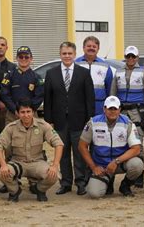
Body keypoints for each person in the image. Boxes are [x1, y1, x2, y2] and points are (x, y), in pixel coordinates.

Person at [44, 41, 95, 196]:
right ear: (60, 54)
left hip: (79, 120)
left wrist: (89, 119)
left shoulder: (84, 73)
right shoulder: (51, 73)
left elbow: (89, 98)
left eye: (70, 53)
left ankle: (81, 182)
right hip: (59, 121)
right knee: (63, 153)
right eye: (64, 53)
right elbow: (48, 99)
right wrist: (48, 120)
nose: (67, 56)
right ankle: (66, 183)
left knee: (79, 153)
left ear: (74, 54)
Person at [0, 99, 64, 202]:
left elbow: (59, 144)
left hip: (37, 162)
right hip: (18, 162)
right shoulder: (11, 127)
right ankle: (15, 191)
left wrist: (55, 165)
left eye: (28, 111)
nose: (26, 115)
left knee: (54, 175)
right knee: (2, 172)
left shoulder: (43, 125)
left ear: (33, 112)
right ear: (17, 113)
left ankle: (39, 189)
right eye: (22, 112)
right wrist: (3, 164)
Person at [78, 96, 144, 198]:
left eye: (115, 109)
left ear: (120, 109)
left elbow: (136, 149)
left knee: (137, 164)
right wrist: (93, 167)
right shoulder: (93, 123)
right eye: (109, 109)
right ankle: (108, 180)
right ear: (104, 109)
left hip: (120, 163)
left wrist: (116, 161)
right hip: (102, 166)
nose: (112, 111)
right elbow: (82, 146)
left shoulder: (128, 123)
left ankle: (125, 185)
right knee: (94, 194)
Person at [110, 45, 144, 188]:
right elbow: (112, 94)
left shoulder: (143, 72)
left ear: (137, 58)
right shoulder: (117, 72)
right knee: (121, 142)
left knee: (138, 144)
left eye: (133, 56)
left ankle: (139, 176)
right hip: (121, 113)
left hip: (137, 113)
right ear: (125, 57)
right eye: (128, 56)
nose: (130, 59)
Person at [0, 46, 44, 125]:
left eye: (26, 57)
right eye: (21, 57)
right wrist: (14, 110)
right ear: (16, 58)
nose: (24, 59)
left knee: (33, 137)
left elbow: (39, 96)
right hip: (12, 115)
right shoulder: (9, 76)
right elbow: (4, 94)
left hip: (31, 114)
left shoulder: (37, 77)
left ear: (31, 58)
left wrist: (29, 111)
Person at [75, 36, 113, 115]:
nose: (91, 48)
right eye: (88, 46)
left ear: (98, 49)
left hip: (99, 106)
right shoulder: (75, 64)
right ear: (83, 48)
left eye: (94, 46)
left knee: (98, 126)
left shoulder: (105, 66)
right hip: (79, 104)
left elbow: (110, 88)